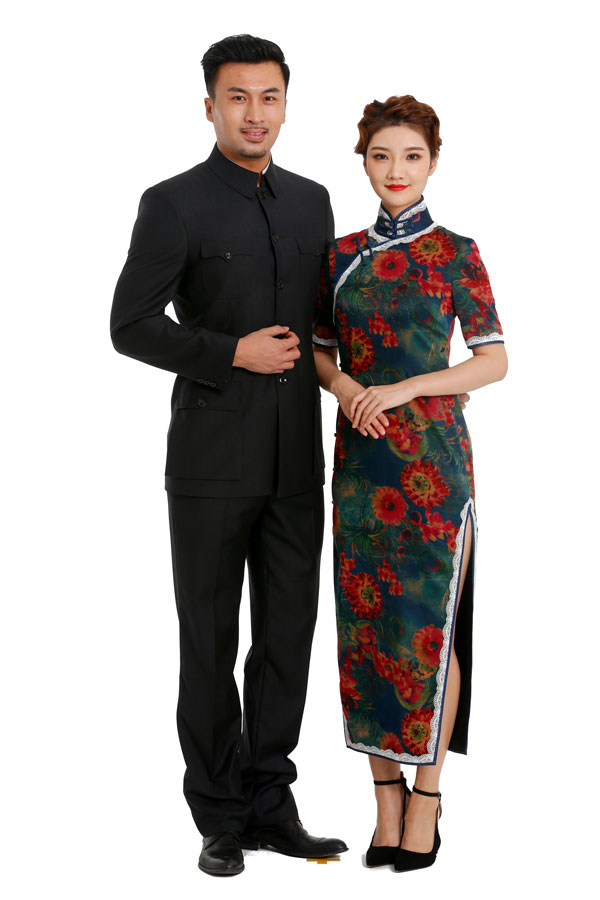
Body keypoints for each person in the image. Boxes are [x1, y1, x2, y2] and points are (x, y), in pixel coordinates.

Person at [110, 34, 347, 877]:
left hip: (297, 464)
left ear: (286, 103)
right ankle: (218, 815)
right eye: (238, 97)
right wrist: (228, 352)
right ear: (209, 106)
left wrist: (416, 383)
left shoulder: (313, 202)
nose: (255, 113)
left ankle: (271, 805)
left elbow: (329, 325)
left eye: (269, 97)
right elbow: (130, 325)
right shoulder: (172, 203)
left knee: (286, 638)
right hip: (211, 463)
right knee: (209, 641)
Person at [313, 95, 507, 872]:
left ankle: (427, 797)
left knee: (431, 624)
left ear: (433, 162)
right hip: (361, 465)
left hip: (434, 463)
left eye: (412, 156)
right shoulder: (337, 255)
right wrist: (345, 388)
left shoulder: (456, 252)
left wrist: (404, 388)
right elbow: (320, 352)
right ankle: (384, 799)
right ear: (363, 161)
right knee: (365, 628)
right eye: (381, 156)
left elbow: (493, 360)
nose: (396, 170)